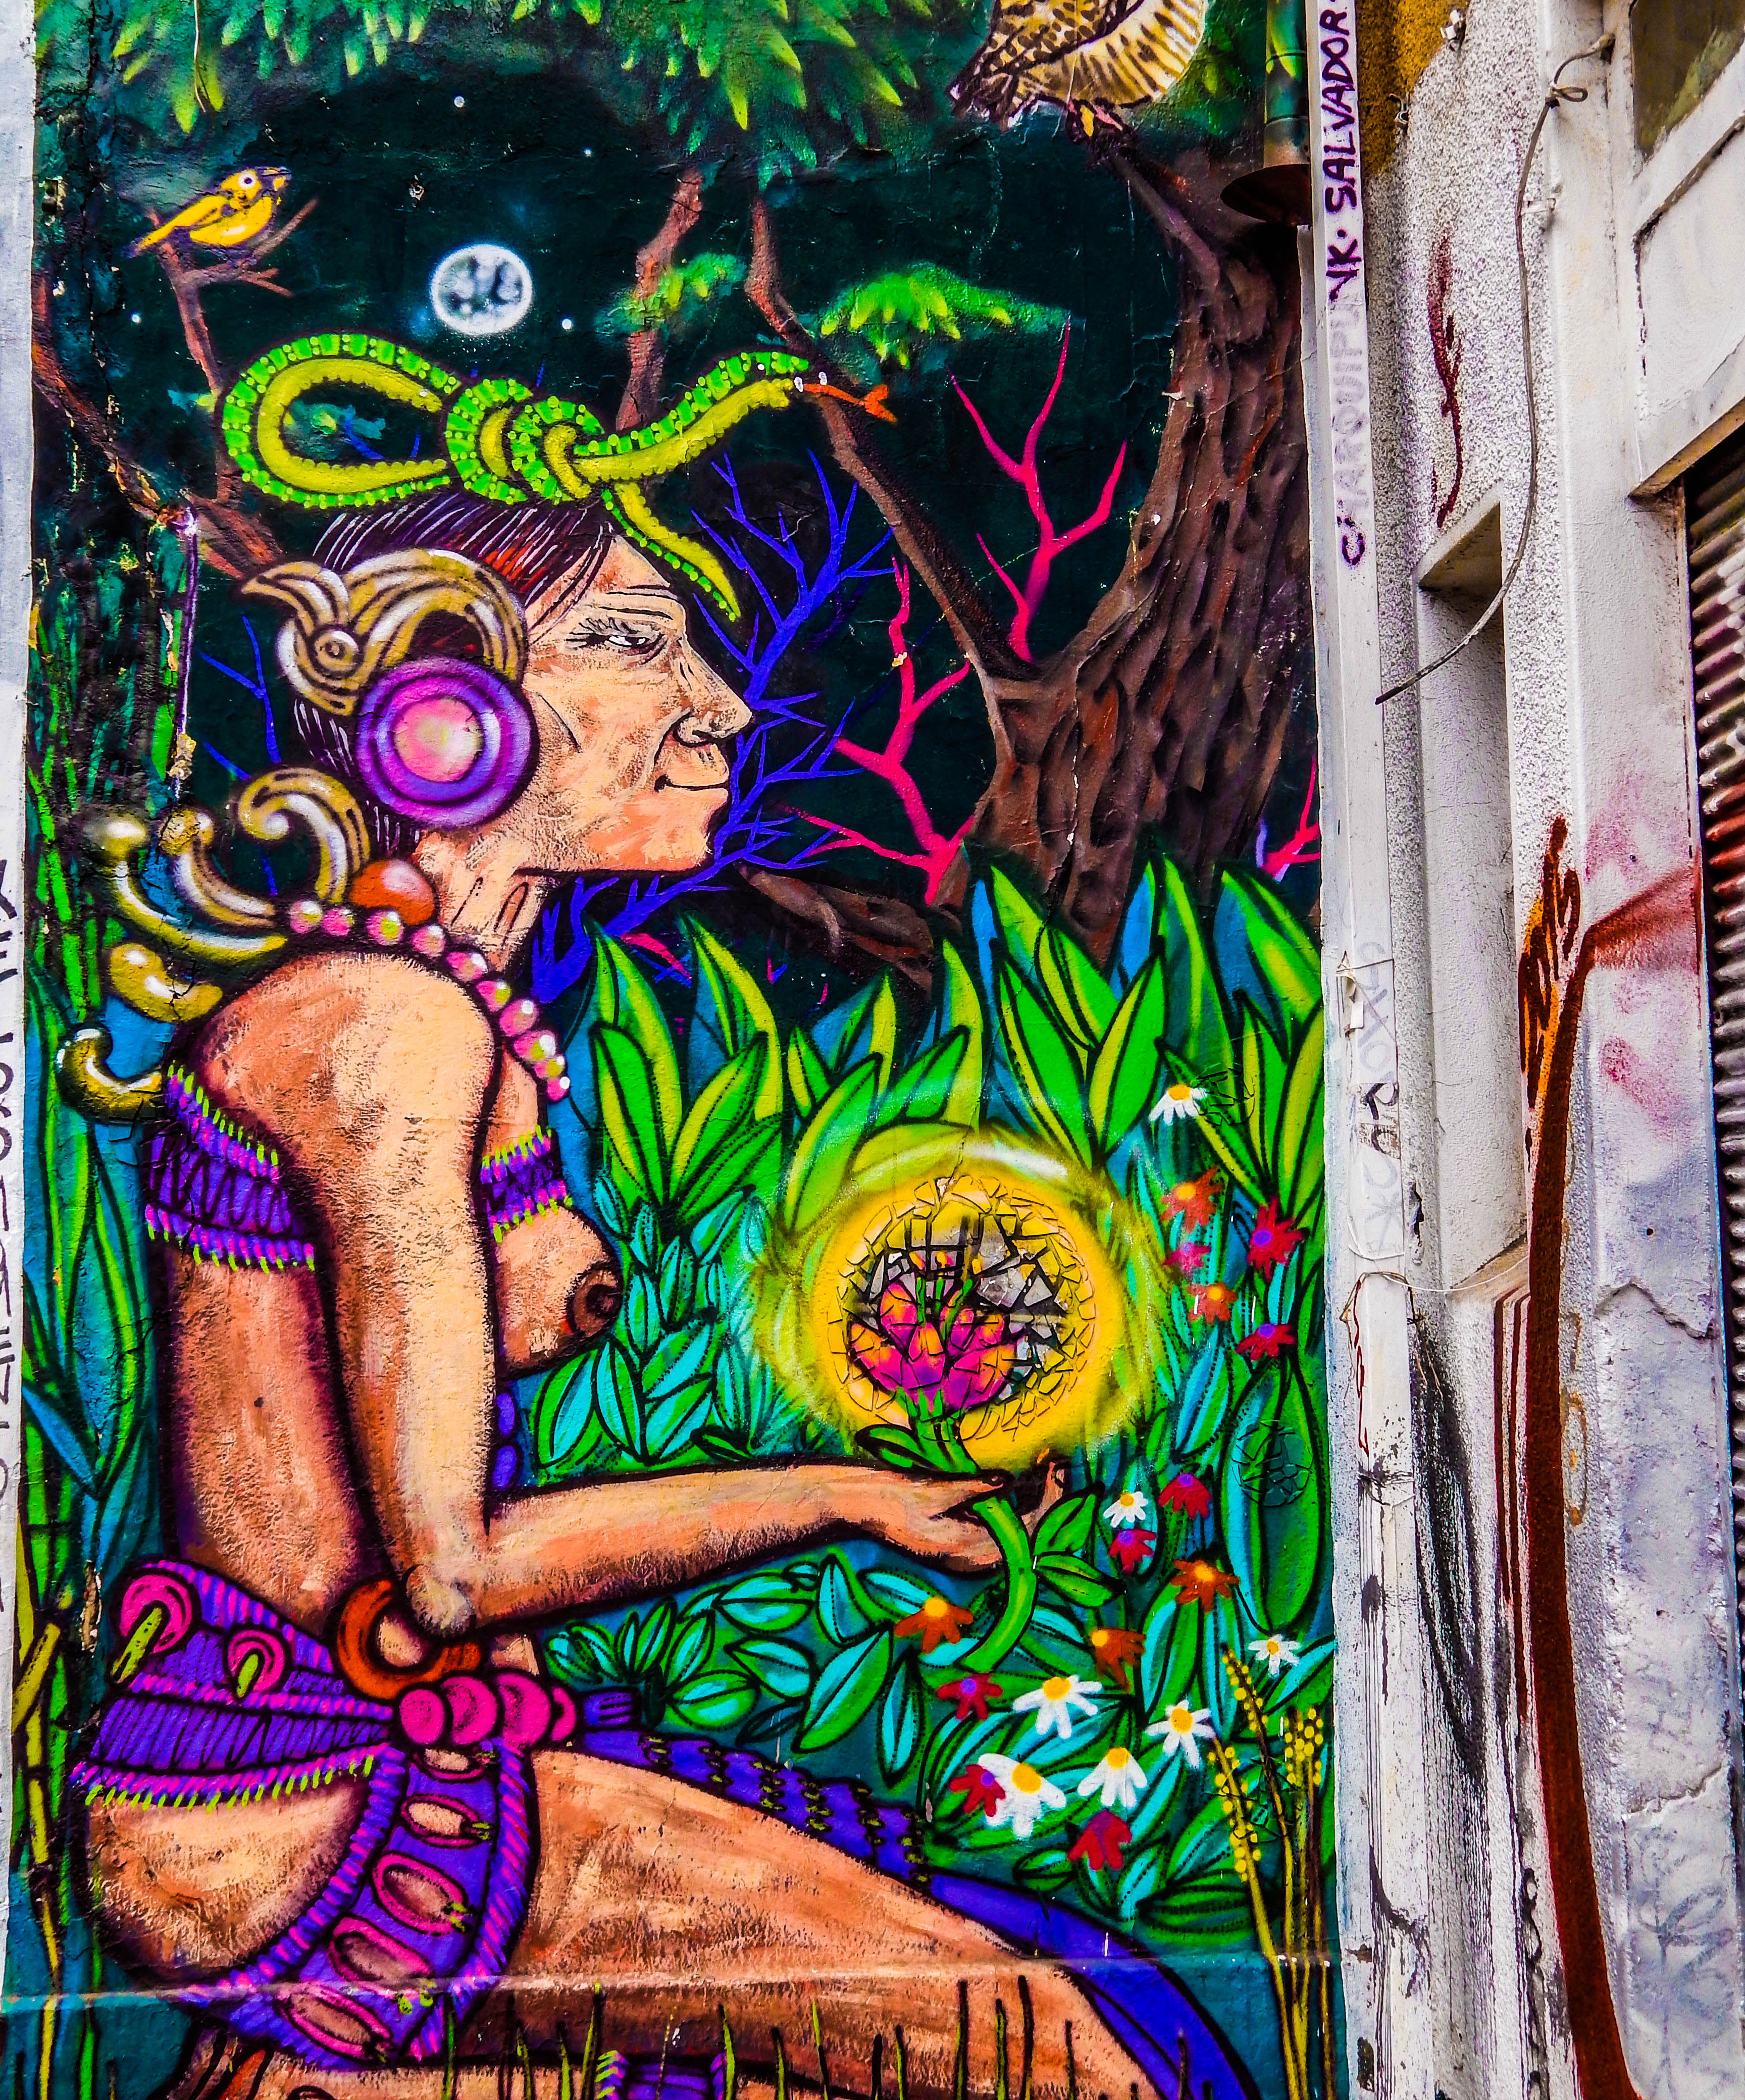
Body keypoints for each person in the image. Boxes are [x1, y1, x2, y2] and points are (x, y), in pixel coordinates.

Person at [71, 484, 1236, 2100]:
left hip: (346, 1766)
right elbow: (458, 1571)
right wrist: (836, 1496)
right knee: (1057, 2052)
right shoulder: (386, 1032)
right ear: (445, 709)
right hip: (299, 1805)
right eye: (632, 643)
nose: (722, 707)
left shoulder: (442, 1009)